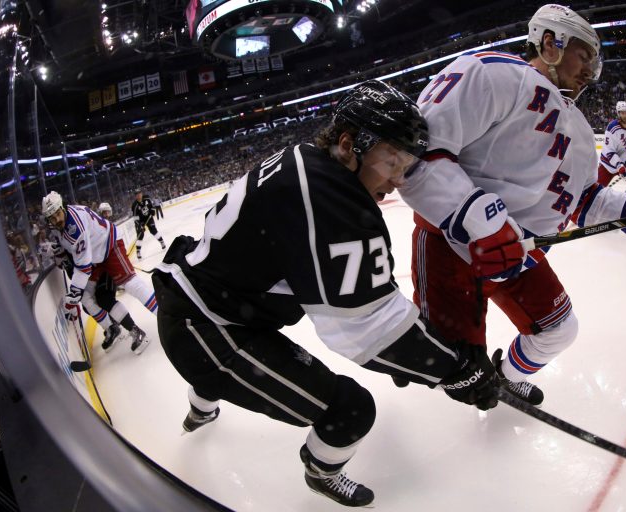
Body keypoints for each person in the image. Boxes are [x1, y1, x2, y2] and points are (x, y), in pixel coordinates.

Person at [151, 80, 498, 508]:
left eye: (407, 163)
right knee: (350, 409)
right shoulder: (333, 199)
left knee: (238, 367)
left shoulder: (307, 161)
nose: (397, 180)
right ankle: (322, 470)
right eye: (393, 159)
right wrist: (455, 369)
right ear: (350, 143)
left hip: (205, 301)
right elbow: (371, 331)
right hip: (206, 329)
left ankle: (201, 406)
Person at [398, 4, 626, 406]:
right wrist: (482, 221)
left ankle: (507, 378)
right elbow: (416, 153)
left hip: (521, 254)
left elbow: (582, 199)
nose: (590, 72)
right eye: (584, 57)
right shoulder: (490, 72)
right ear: (550, 42)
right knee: (453, 367)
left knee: (558, 331)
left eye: (594, 64)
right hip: (453, 248)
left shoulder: (582, 131)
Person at [42, 191, 155, 354]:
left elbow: (83, 268)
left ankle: (167, 315)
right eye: (52, 218)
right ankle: (112, 328)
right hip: (96, 258)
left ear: (63, 208)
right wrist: (55, 250)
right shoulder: (62, 226)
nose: (56, 220)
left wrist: (71, 299)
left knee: (126, 286)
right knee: (87, 297)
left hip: (109, 248)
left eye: (58, 214)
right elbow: (71, 252)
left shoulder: (75, 227)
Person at [131, 190, 166, 260]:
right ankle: (138, 252)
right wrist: (140, 225)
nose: (138, 195)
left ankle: (162, 242)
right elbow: (135, 218)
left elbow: (151, 206)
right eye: (137, 194)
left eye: (139, 193)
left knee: (153, 230)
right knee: (140, 235)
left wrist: (153, 210)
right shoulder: (134, 205)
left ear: (141, 193)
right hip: (140, 221)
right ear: (135, 196)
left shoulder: (147, 198)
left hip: (148, 218)